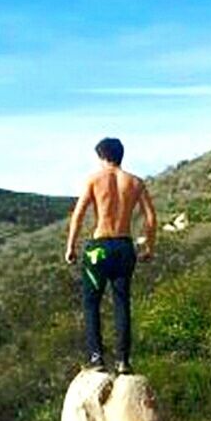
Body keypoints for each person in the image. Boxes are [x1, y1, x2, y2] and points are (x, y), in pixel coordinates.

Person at [65, 137, 157, 374]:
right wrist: (149, 247)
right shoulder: (136, 182)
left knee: (91, 303)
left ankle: (97, 359)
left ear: (102, 156)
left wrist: (71, 247)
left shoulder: (94, 180)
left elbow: (78, 215)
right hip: (125, 247)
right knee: (122, 303)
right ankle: (123, 361)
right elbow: (150, 218)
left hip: (99, 247)